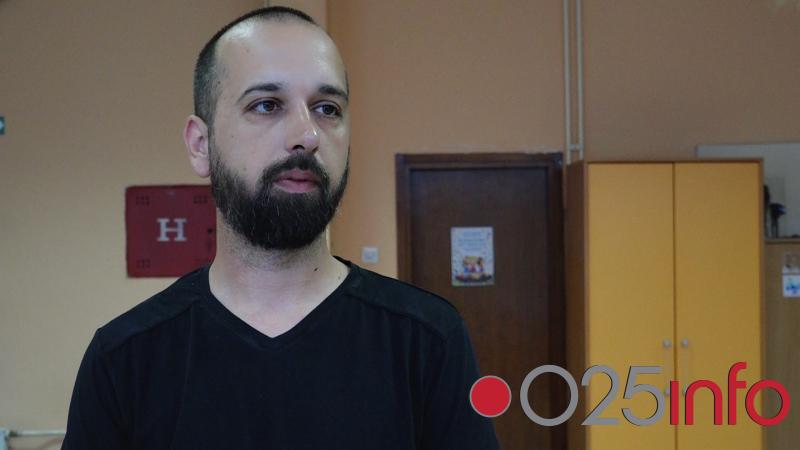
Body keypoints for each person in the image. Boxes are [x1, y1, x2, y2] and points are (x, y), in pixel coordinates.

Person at [62, 6, 499, 449]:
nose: (307, 136)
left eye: (327, 109)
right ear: (200, 145)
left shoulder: (427, 340)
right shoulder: (124, 360)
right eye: (267, 105)